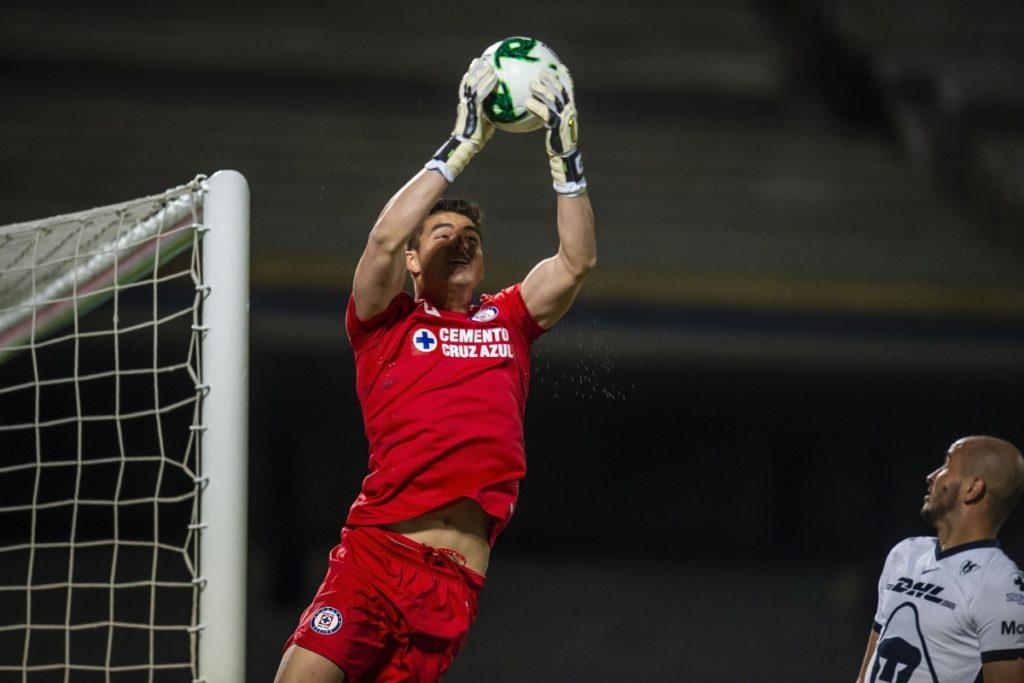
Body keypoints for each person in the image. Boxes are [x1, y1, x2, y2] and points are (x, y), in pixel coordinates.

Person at [275, 53, 595, 682]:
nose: (460, 237)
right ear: (415, 263)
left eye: (470, 234)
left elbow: (576, 261)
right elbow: (381, 243)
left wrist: (565, 155)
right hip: (377, 555)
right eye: (442, 231)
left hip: (455, 589)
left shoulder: (508, 322)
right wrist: (465, 141)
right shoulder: (385, 326)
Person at [855, 436, 1024, 683]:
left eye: (946, 465)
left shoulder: (999, 583)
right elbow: (867, 673)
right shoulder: (904, 554)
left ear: (973, 488)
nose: (932, 476)